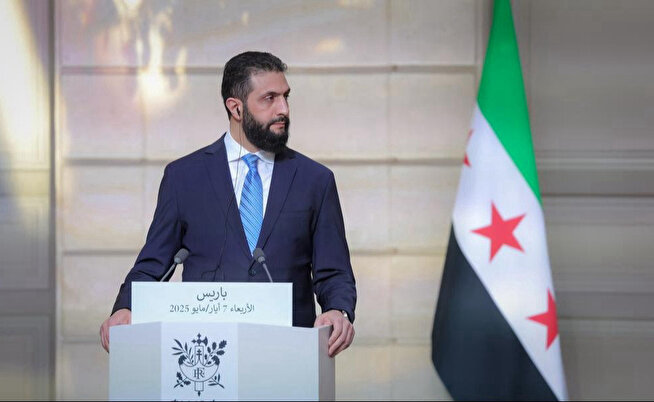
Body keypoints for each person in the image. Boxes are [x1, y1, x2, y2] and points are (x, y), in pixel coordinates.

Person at [99, 51, 356, 357]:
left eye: (286, 97)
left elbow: (334, 272)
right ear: (236, 107)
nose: (283, 109)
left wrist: (338, 310)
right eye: (270, 98)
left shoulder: (315, 180)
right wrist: (125, 307)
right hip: (205, 355)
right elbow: (154, 264)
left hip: (289, 356)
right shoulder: (184, 177)